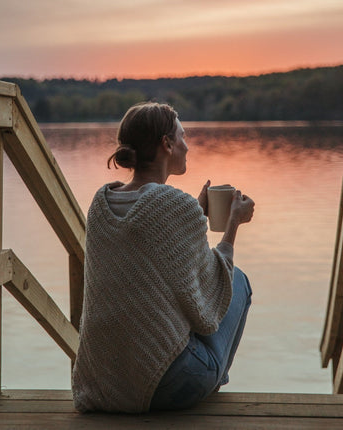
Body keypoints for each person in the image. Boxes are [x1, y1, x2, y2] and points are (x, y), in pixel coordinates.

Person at [72, 102, 254, 413]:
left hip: (103, 384)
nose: (187, 145)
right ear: (166, 144)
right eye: (182, 136)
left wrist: (193, 215)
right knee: (237, 281)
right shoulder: (173, 205)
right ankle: (214, 377)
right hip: (169, 386)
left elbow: (159, 259)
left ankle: (207, 374)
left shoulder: (100, 205)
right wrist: (233, 224)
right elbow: (209, 302)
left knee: (188, 294)